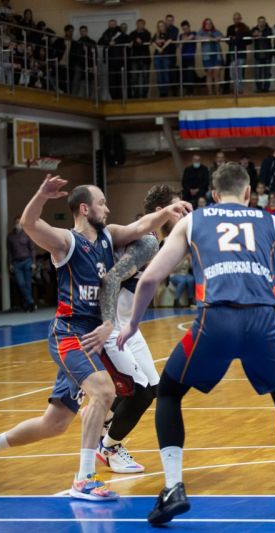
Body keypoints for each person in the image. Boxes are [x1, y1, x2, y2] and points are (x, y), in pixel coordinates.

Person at [115, 162, 275, 524]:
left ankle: (173, 488)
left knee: (168, 392)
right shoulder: (271, 222)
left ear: (214, 194)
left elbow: (150, 278)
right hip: (263, 321)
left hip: (215, 319)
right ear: (249, 193)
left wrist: (133, 324)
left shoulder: (193, 221)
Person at [0, 175, 190, 499]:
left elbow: (140, 227)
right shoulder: (66, 242)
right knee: (105, 390)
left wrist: (167, 211)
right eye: (102, 203)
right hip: (70, 333)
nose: (107, 209)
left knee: (54, 423)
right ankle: (84, 478)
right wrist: (41, 194)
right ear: (85, 209)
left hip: (90, 338)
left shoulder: (109, 236)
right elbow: (29, 224)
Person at [78, 185, 182, 475]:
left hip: (128, 327)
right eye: (178, 208)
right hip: (111, 325)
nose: (183, 214)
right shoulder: (147, 242)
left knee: (153, 388)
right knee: (140, 394)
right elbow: (111, 279)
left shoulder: (158, 241)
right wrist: (108, 323)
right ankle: (108, 447)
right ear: (162, 211)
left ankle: (102, 416)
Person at [6, 216, 36, 311]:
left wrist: (33, 262)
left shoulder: (27, 234)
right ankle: (30, 302)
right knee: (21, 283)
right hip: (16, 262)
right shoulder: (10, 236)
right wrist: (10, 263)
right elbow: (9, 251)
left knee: (28, 284)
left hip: (27, 260)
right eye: (16, 222)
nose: (17, 224)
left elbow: (32, 249)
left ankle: (27, 305)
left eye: (19, 222)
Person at [198, 18, 223, 96]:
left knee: (217, 73)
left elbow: (222, 36)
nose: (209, 25)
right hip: (207, 56)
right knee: (209, 74)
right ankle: (210, 94)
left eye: (210, 23)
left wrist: (219, 37)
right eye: (207, 23)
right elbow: (197, 38)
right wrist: (209, 38)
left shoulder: (215, 31)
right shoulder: (201, 31)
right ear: (204, 25)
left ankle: (217, 92)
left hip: (217, 55)